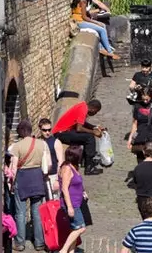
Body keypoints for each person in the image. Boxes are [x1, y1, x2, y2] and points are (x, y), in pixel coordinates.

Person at [6, 120, 52, 252]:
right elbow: (48, 164)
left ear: (20, 131)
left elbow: (13, 168)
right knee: (37, 212)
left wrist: (11, 183)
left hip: (22, 179)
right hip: (37, 177)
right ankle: (39, 243)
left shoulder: (17, 146)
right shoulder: (42, 144)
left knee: (20, 213)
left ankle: (20, 243)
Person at [52, 99, 105, 173]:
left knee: (86, 137)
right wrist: (93, 132)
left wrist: (94, 127)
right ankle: (89, 168)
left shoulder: (83, 106)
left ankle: (85, 161)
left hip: (65, 131)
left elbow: (82, 123)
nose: (95, 113)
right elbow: (79, 128)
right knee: (89, 138)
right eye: (96, 112)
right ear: (93, 109)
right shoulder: (83, 109)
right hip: (61, 134)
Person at [57, 145, 89, 253]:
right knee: (81, 228)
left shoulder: (74, 166)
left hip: (77, 202)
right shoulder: (67, 168)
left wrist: (83, 191)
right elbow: (64, 189)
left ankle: (71, 251)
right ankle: (64, 250)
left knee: (74, 229)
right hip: (72, 204)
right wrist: (70, 207)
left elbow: (77, 183)